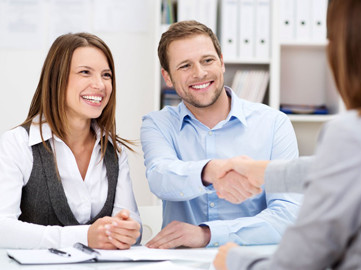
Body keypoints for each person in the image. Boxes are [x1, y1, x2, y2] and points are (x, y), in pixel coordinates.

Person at [213, 0, 361, 268]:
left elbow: (297, 262)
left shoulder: (353, 134)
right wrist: (263, 171)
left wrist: (232, 260)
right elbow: (349, 168)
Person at [140, 20, 302, 249]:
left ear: (222, 62)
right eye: (185, 66)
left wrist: (207, 234)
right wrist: (211, 170)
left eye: (207, 60)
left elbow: (288, 216)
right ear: (167, 77)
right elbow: (160, 177)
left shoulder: (274, 124)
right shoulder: (157, 124)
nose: (200, 73)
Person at [0, 32, 141, 250]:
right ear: (57, 78)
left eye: (106, 75)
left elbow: (132, 226)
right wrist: (85, 236)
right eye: (85, 72)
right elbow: (2, 229)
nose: (100, 85)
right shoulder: (16, 144)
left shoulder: (115, 151)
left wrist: (128, 232)